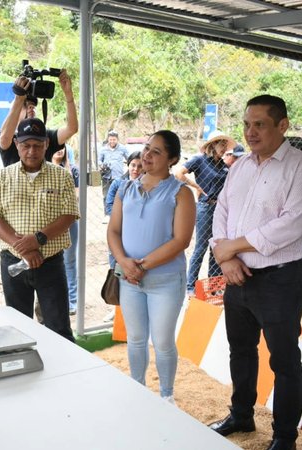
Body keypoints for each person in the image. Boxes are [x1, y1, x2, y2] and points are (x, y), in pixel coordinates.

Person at [207, 95, 302, 450]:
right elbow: (221, 210)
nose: (250, 131)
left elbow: (289, 226)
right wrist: (225, 257)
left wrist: (232, 246)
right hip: (237, 276)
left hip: (281, 279)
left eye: (259, 124)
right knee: (240, 350)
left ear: (282, 125)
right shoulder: (240, 166)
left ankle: (284, 437)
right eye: (246, 124)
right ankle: (241, 414)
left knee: (284, 359)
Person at [107, 130, 195, 406]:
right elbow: (114, 231)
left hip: (165, 280)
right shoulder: (125, 188)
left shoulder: (181, 193)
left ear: (173, 159)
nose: (147, 154)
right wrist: (123, 262)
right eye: (147, 148)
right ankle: (138, 389)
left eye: (156, 151)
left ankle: (167, 396)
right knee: (135, 338)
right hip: (129, 279)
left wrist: (141, 266)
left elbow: (181, 240)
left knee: (163, 340)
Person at [0, 118, 79, 341]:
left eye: (38, 145)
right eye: (26, 145)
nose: (32, 151)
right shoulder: (3, 176)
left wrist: (38, 239)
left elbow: (69, 215)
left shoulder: (61, 176)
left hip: (50, 263)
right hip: (13, 262)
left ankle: (63, 374)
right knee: (17, 329)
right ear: (16, 144)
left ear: (47, 145)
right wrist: (24, 248)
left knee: (59, 328)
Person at [172, 130, 240, 293]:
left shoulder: (223, 166)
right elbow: (178, 173)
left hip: (221, 209)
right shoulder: (200, 160)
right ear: (212, 145)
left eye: (225, 145)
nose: (223, 148)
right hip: (205, 207)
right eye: (220, 144)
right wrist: (196, 187)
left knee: (216, 247)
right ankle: (190, 286)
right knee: (201, 247)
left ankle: (214, 286)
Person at [0, 70, 78, 167]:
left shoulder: (46, 136)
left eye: (33, 105)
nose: (30, 107)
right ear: (17, 144)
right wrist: (19, 99)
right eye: (25, 105)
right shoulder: (10, 137)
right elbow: (4, 139)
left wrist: (68, 94)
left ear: (45, 144)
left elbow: (72, 128)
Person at [50, 146, 81, 314]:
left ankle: (72, 301)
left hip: (69, 221)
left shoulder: (73, 170)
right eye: (57, 147)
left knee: (69, 260)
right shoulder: (44, 169)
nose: (59, 150)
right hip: (49, 221)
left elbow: (75, 197)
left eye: (63, 148)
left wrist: (67, 166)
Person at [99, 130, 128, 213]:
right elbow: (98, 161)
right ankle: (107, 215)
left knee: (119, 195)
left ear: (117, 139)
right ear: (108, 139)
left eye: (114, 139)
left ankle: (119, 213)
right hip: (106, 177)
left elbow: (129, 159)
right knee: (106, 196)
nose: (112, 141)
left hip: (118, 176)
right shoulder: (103, 149)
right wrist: (101, 165)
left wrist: (126, 173)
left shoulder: (122, 148)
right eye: (110, 139)